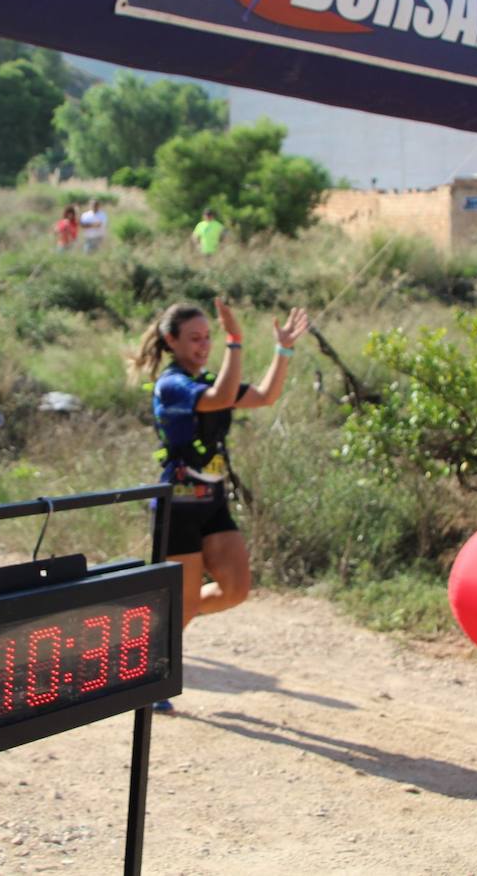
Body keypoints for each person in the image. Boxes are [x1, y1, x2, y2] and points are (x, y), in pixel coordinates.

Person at [130, 298, 309, 710]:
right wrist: (235, 340)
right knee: (187, 598)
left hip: (211, 497)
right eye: (194, 338)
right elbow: (222, 395)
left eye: (207, 337)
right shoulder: (172, 385)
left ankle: (160, 635)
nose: (203, 345)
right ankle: (152, 665)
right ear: (170, 341)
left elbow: (263, 396)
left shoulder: (207, 379)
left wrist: (282, 350)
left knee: (235, 589)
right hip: (177, 503)